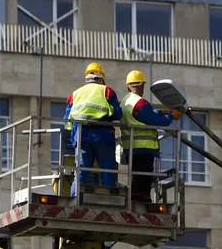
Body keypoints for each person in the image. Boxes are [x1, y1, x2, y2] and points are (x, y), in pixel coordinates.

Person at [120, 70, 181, 203]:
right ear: (142, 86)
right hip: (143, 148)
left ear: (128, 86)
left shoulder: (125, 102)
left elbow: (144, 116)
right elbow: (155, 122)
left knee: (136, 175)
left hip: (130, 147)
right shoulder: (140, 103)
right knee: (143, 176)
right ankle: (142, 200)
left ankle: (138, 198)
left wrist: (161, 112)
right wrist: (171, 116)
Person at [65, 62, 123, 196]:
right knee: (108, 172)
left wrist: (73, 138)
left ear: (86, 79)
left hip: (81, 137)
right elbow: (117, 114)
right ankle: (110, 201)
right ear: (101, 78)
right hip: (103, 136)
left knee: (80, 174)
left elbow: (67, 121)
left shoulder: (74, 94)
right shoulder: (107, 91)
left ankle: (74, 202)